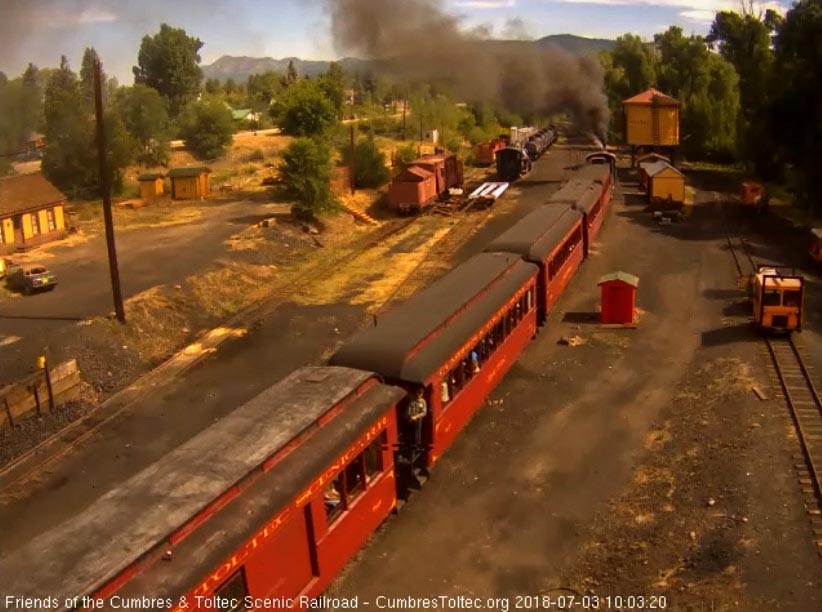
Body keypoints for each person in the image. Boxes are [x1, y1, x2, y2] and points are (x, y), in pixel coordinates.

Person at [407, 388, 428, 456]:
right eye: (418, 393)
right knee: (411, 433)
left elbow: (424, 412)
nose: (419, 395)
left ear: (422, 394)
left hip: (418, 420)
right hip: (411, 419)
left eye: (420, 394)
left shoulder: (422, 402)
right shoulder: (413, 401)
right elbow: (409, 408)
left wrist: (416, 416)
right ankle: (411, 446)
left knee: (417, 433)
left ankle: (417, 446)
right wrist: (410, 416)